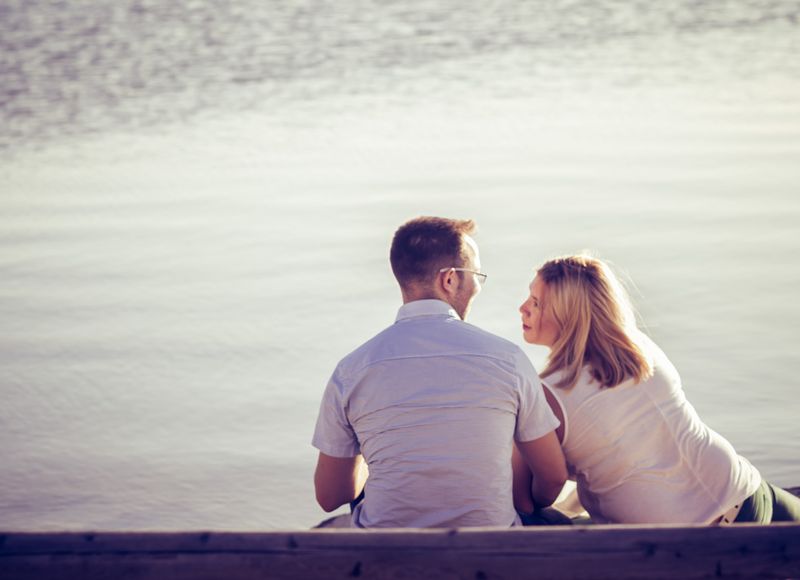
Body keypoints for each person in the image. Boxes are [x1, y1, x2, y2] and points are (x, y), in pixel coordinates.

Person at [312, 216, 567, 528]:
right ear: (449, 279)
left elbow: (330, 496)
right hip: (489, 552)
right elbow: (553, 476)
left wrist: (380, 450)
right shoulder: (508, 360)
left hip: (387, 556)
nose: (477, 285)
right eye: (476, 275)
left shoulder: (352, 370)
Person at [516, 254, 800, 524]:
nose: (523, 308)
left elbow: (544, 487)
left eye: (537, 302)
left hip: (676, 546)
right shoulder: (638, 349)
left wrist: (542, 494)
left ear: (569, 315)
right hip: (748, 498)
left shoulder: (546, 395)